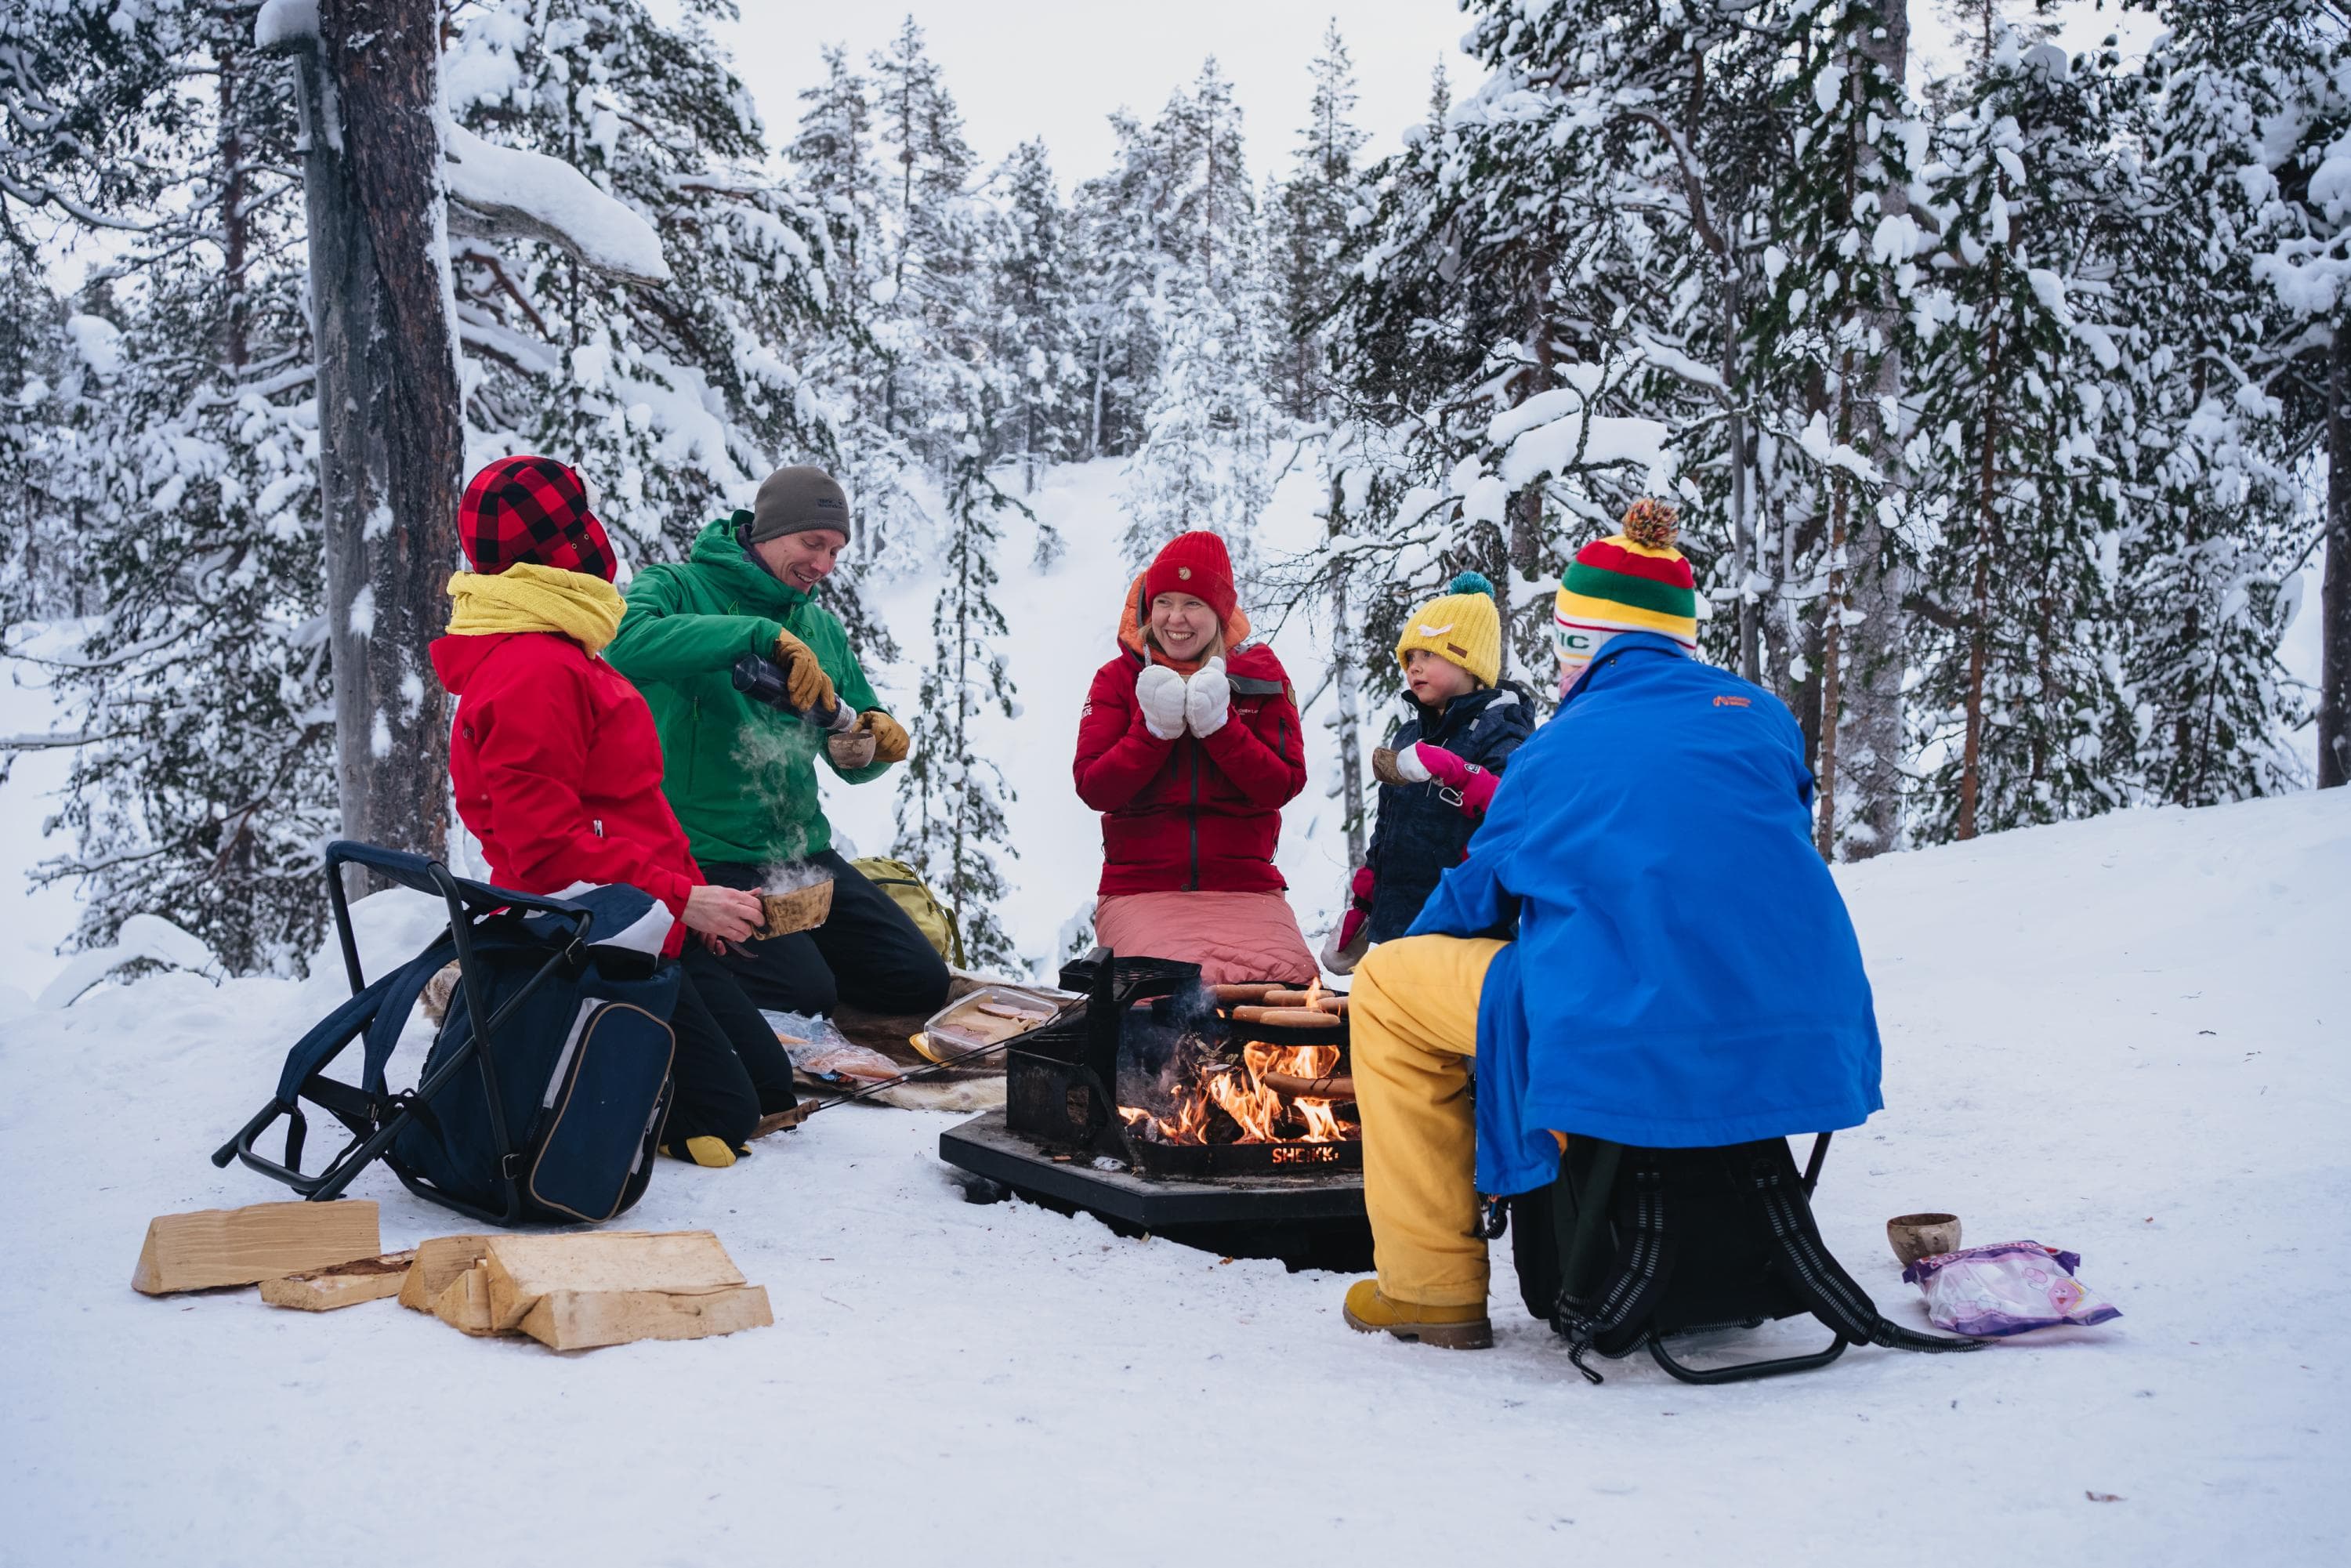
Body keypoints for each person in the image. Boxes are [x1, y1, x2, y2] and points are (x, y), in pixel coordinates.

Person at [1338, 502, 1885, 1349]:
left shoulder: (1559, 749)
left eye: (1564, 647)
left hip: (1629, 1022)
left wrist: (1410, 944)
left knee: (1384, 989)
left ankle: (1428, 1288)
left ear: (1583, 645)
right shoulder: (1766, 719)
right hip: (1804, 1029)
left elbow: (1478, 893)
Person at [431, 455, 796, 1170]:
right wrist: (683, 899)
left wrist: (694, 899)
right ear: (560, 550)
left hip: (644, 911)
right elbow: (545, 851)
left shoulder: (563, 641)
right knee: (726, 1117)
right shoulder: (534, 666)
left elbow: (633, 802)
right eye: (581, 523)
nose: (599, 537)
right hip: (584, 928)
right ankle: (565, 1065)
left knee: (770, 1089)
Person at [604, 465, 951, 1020]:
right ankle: (696, 952)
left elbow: (855, 737)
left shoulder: (822, 629)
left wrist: (866, 744)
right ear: (767, 529)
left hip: (801, 853)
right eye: (813, 543)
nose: (824, 565)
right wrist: (755, 635)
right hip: (704, 856)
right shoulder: (676, 585)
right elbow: (622, 644)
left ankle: (782, 972)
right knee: (804, 993)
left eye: (836, 551)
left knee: (920, 982)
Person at [1072, 531, 1315, 985]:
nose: (1176, 618)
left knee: (1295, 989)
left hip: (1247, 888)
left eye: (1194, 604)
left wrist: (1223, 730)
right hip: (1142, 888)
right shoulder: (1117, 679)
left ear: (1220, 614)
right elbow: (1093, 786)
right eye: (1165, 601)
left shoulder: (1261, 675)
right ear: (1149, 607)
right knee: (1161, 1001)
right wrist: (1152, 733)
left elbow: (1282, 784)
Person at [1320, 571, 1536, 972]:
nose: (1413, 668)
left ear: (1467, 660)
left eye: (1428, 655)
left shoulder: (1503, 729)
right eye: (1409, 658)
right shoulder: (1409, 735)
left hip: (1470, 934)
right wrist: (1364, 902)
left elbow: (1515, 809)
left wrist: (1458, 771)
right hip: (1397, 928)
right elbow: (1387, 827)